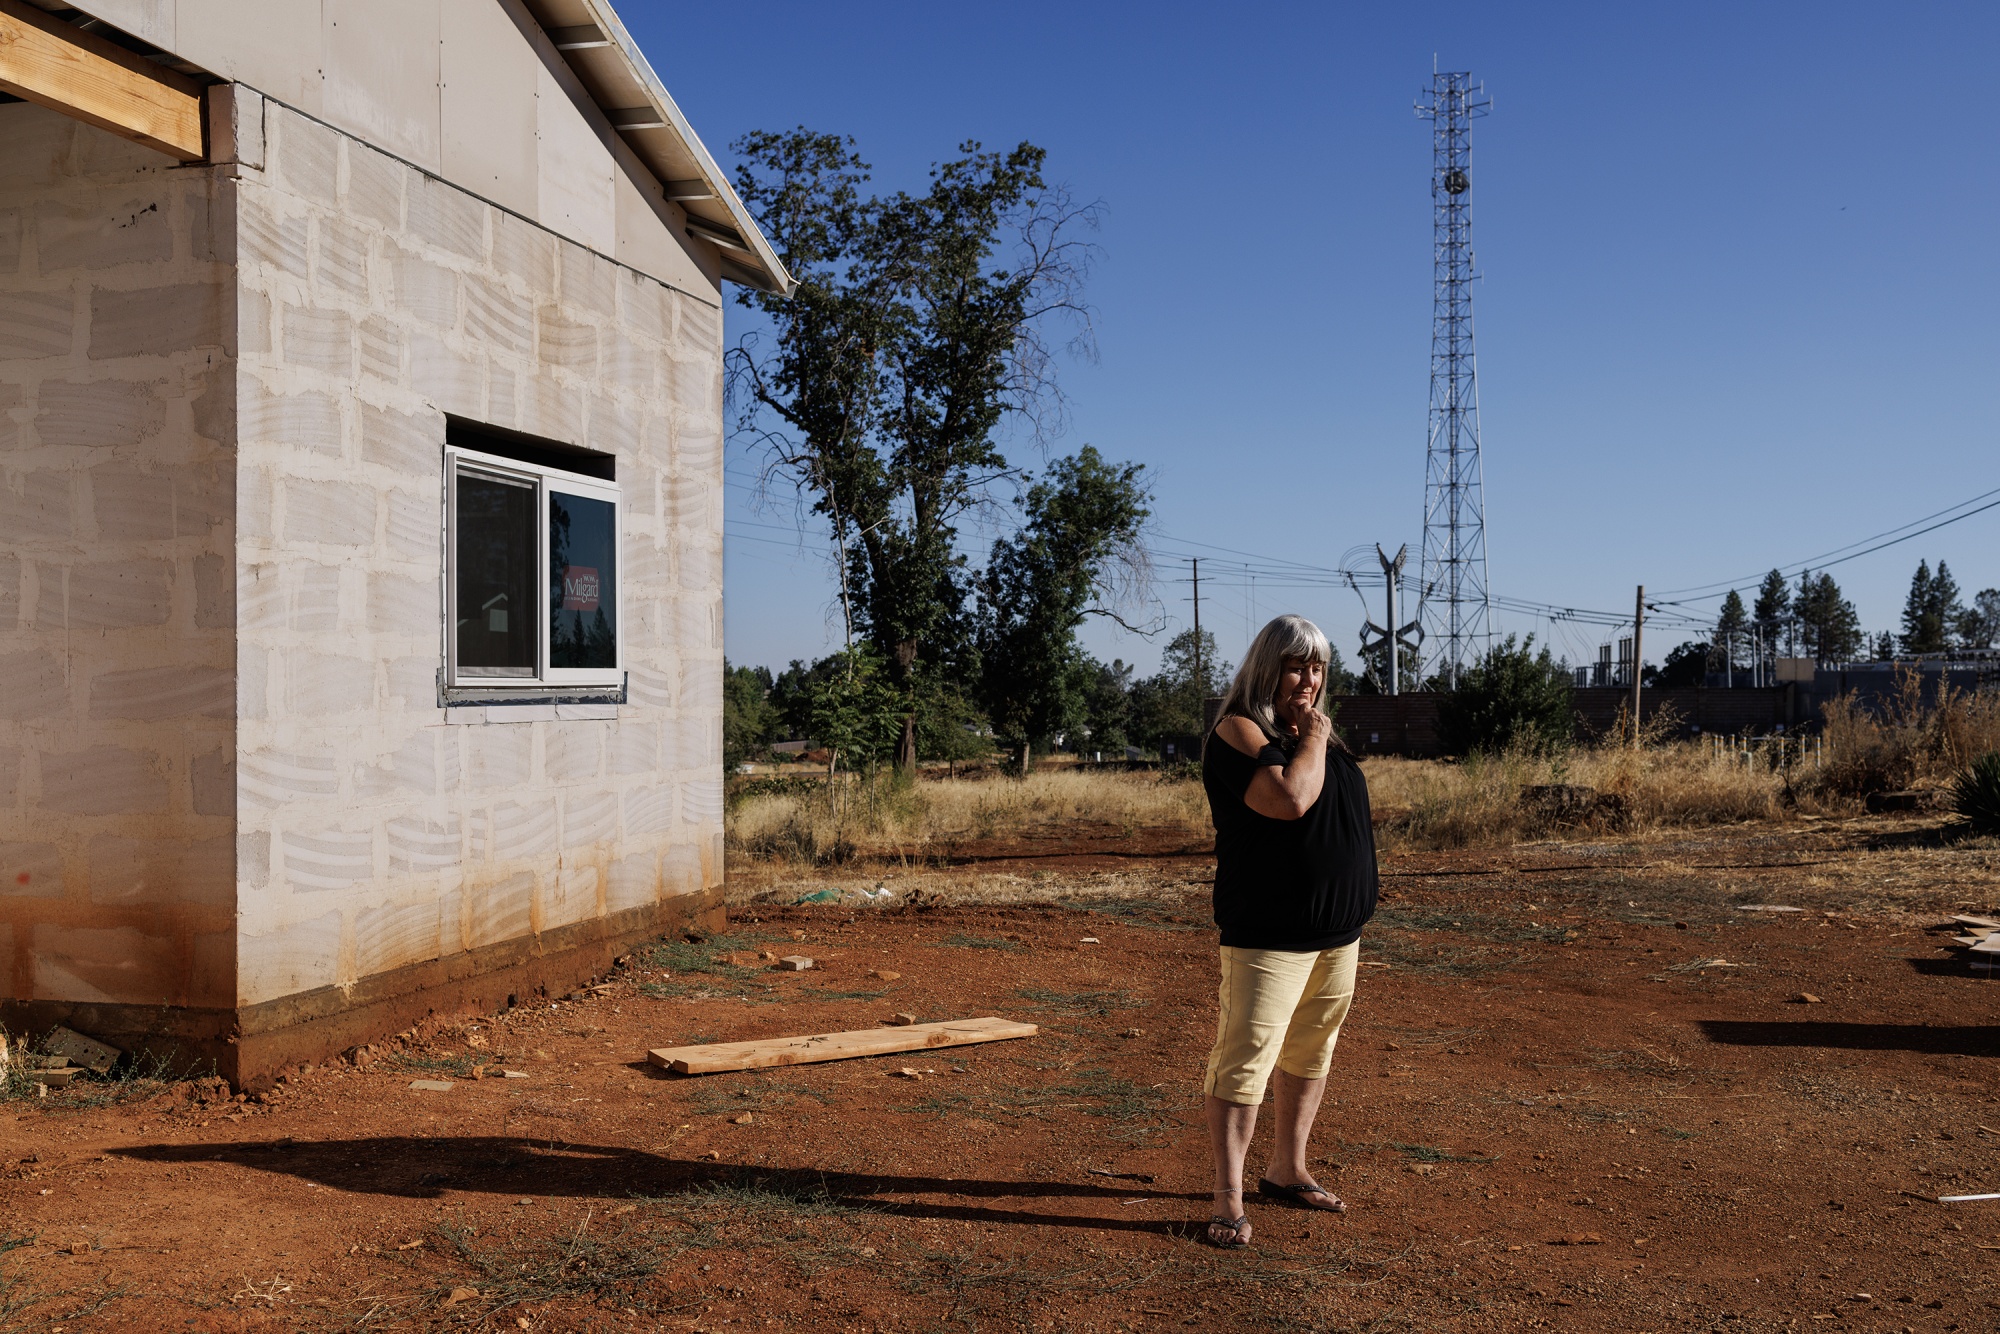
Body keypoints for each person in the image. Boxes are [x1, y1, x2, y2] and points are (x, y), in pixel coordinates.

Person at [1196, 614, 1379, 1248]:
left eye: (1319, 667)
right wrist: (1317, 737)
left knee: (1311, 1054)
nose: (1309, 679)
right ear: (1267, 669)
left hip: (1337, 934)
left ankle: (1287, 1169)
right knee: (1245, 1063)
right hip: (1269, 936)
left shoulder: (1308, 733)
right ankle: (1227, 1200)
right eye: (1297, 666)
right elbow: (1290, 801)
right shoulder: (1241, 730)